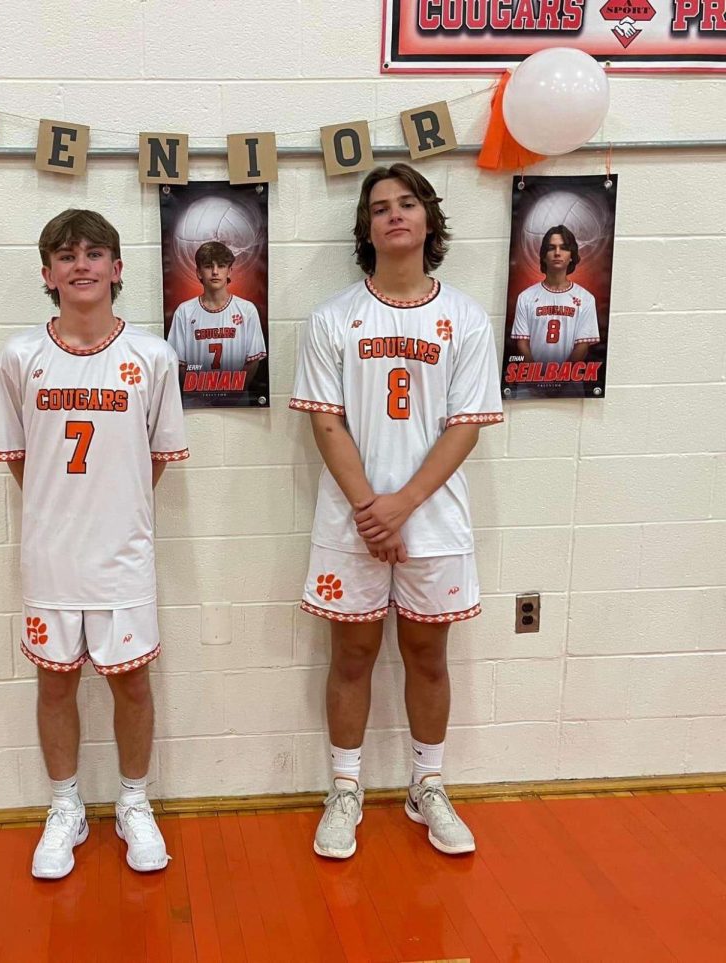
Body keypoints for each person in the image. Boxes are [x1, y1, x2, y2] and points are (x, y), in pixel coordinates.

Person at [290, 163, 503, 860]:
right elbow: (327, 424)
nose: (394, 215)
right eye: (379, 207)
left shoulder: (465, 318)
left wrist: (402, 505)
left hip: (432, 521)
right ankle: (345, 788)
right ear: (367, 228)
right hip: (350, 521)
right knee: (350, 653)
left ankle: (427, 785)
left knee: (428, 656)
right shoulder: (332, 318)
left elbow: (464, 425)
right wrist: (369, 509)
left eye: (407, 203)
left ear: (429, 220)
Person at [0, 209, 188, 880]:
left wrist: (114, 507)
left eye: (94, 252)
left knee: (131, 683)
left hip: (122, 556)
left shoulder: (153, 357)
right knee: (55, 682)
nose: (81, 264)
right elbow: (22, 457)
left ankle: (134, 801)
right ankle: (66, 805)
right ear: (47, 272)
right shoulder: (20, 357)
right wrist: (60, 509)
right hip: (51, 557)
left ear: (117, 268)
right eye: (66, 254)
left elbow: (153, 460)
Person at [166, 240, 267, 390]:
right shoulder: (184, 311)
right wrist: (196, 392)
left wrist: (235, 392)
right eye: (208, 266)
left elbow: (253, 361)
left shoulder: (247, 310)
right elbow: (178, 363)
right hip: (195, 402)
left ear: (229, 271)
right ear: (198, 272)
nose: (215, 272)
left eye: (221, 266)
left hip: (237, 404)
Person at [511, 224, 600, 366]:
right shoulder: (526, 297)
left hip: (569, 384)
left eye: (563, 248)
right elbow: (522, 345)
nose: (557, 253)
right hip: (531, 384)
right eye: (551, 248)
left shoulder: (586, 299)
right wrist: (537, 379)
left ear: (572, 256)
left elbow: (582, 348)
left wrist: (559, 381)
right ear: (544, 256)